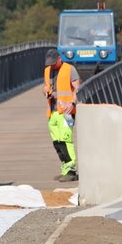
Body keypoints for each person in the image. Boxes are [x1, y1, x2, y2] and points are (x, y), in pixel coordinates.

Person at [43, 48, 80, 181]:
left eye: (54, 62)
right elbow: (45, 87)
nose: (52, 65)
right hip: (52, 111)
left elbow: (77, 88)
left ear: (60, 58)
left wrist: (72, 104)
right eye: (50, 63)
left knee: (66, 139)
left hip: (66, 111)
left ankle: (71, 171)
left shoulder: (70, 69)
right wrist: (45, 91)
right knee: (57, 142)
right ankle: (65, 167)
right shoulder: (47, 70)